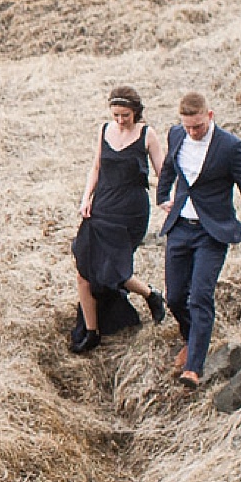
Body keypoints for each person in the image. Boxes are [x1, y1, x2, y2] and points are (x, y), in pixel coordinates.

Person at [156, 92, 241, 387]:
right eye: (188, 127)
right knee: (174, 296)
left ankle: (194, 368)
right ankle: (191, 338)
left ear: (210, 116)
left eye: (197, 126)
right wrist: (162, 197)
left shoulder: (230, 147)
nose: (192, 132)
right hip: (180, 227)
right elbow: (170, 166)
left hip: (212, 231)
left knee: (200, 296)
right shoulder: (176, 135)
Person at [70, 86, 168, 352]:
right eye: (116, 115)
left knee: (110, 269)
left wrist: (166, 200)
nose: (121, 121)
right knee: (85, 269)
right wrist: (85, 198)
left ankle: (150, 295)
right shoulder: (104, 131)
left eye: (125, 115)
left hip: (130, 211)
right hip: (102, 204)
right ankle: (92, 332)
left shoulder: (148, 135)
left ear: (135, 112)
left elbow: (164, 174)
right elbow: (96, 167)